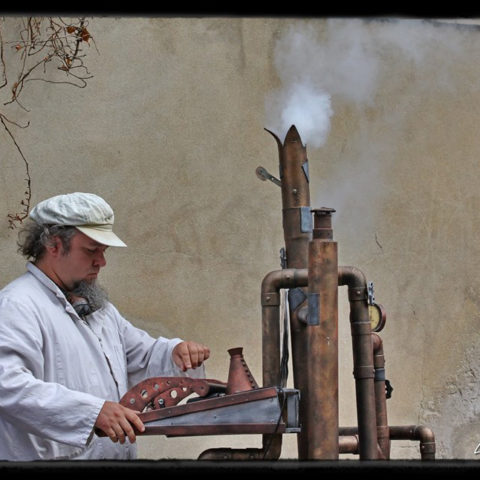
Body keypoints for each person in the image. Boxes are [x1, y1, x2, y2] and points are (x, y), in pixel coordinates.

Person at [0, 192, 210, 460]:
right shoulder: (18, 305)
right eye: (91, 250)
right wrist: (91, 412)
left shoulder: (100, 310)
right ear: (53, 244)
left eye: (103, 251)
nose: (101, 262)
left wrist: (177, 353)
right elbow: (7, 385)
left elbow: (141, 357)